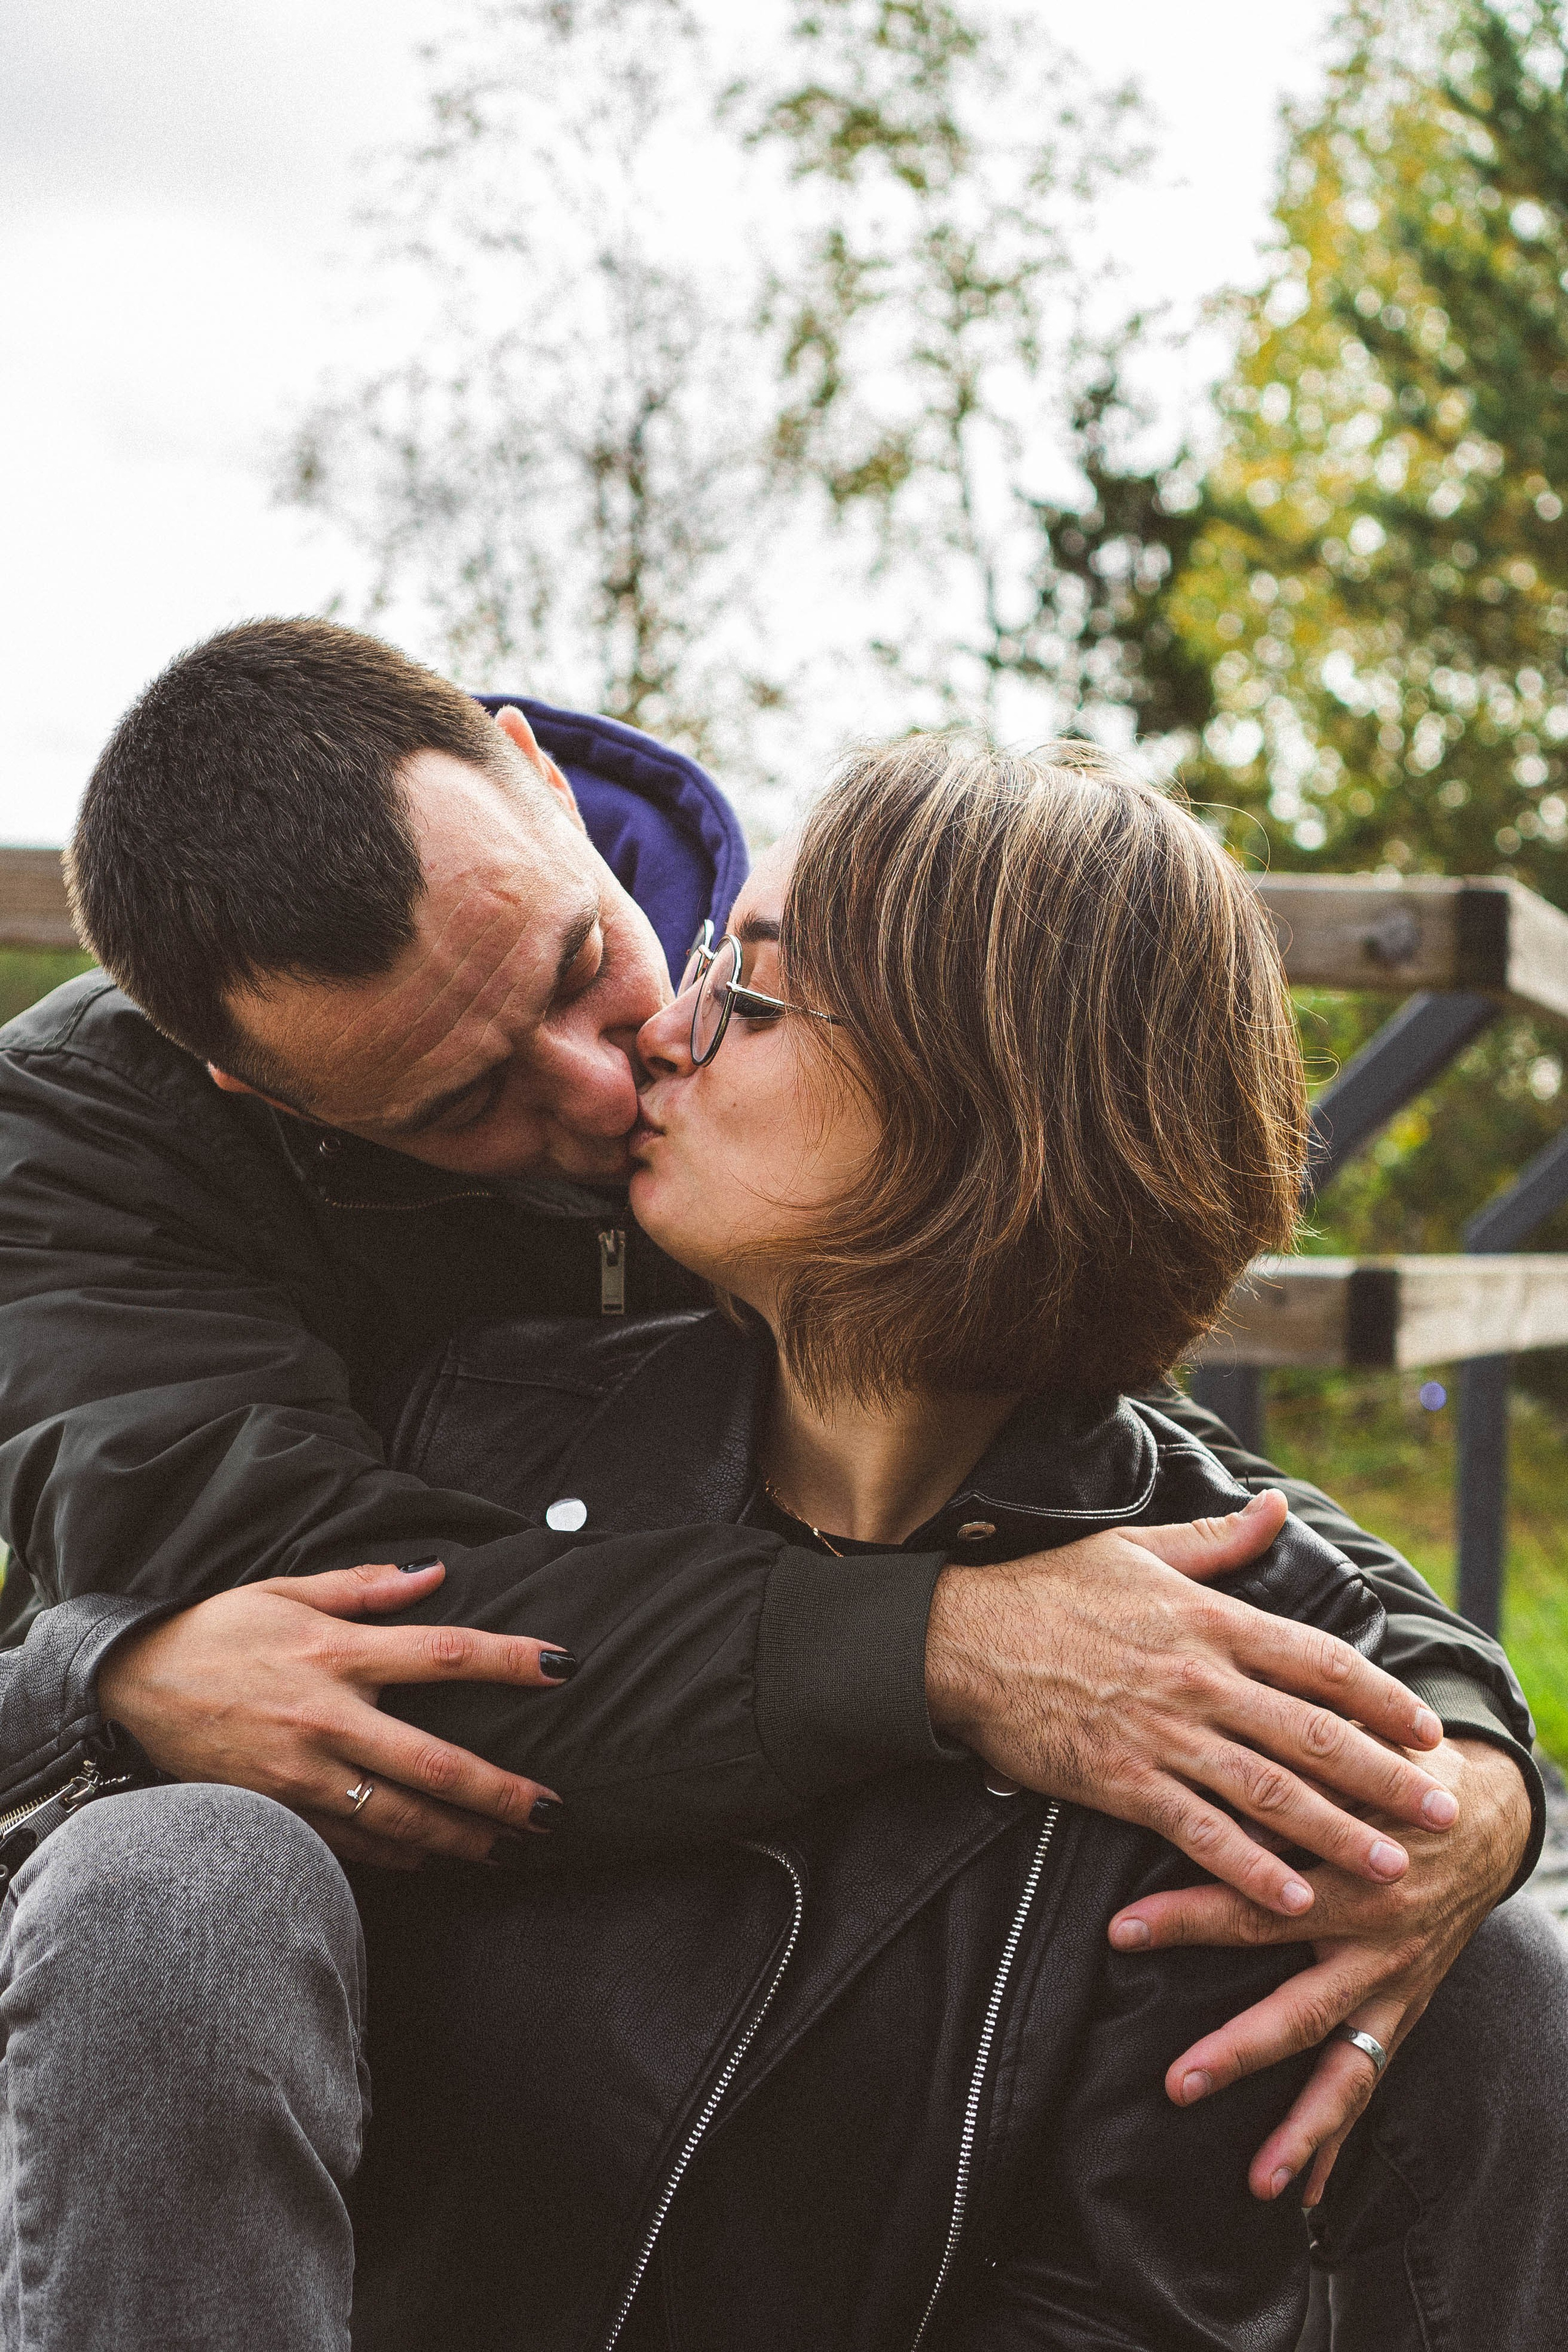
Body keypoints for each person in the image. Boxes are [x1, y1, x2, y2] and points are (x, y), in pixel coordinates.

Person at [0, 623, 1553, 2347]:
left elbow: (1078, 1385)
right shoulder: (128, 1166)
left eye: (617, 966)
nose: (618, 1075)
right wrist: (109, 1687)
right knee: (175, 1882)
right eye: (464, 1100)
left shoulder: (835, 985)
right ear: (262, 1089)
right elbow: (343, 1613)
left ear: (537, 772)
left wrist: (1463, 1765)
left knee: (1507, 1988)